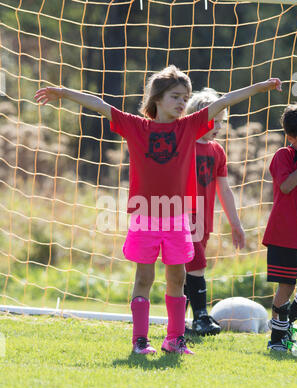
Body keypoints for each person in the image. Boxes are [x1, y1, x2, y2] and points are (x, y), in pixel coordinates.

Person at [35, 66, 281, 355]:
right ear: (157, 98)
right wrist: (64, 93)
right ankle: (140, 340)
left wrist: (259, 87)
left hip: (178, 218)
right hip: (145, 218)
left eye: (185, 97)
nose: (181, 103)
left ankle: (174, 339)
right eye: (175, 96)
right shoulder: (135, 126)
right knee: (144, 279)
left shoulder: (189, 126)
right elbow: (101, 105)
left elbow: (222, 103)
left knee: (177, 279)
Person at [184, 88, 245, 336]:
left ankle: (178, 322)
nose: (219, 126)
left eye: (222, 121)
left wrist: (236, 223)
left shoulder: (217, 151)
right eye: (214, 121)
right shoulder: (183, 144)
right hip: (183, 217)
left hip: (205, 220)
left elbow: (225, 190)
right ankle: (200, 318)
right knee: (196, 264)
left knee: (189, 270)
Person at [262, 103, 297, 352]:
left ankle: (286, 321)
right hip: (285, 235)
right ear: (291, 137)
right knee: (286, 286)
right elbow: (286, 186)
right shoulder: (283, 156)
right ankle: (277, 337)